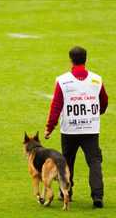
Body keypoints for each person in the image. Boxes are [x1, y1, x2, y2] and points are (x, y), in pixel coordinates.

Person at [44, 46, 108, 208]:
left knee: (67, 162)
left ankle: (67, 193)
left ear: (70, 60)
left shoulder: (63, 80)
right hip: (91, 128)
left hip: (70, 129)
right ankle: (97, 196)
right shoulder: (96, 79)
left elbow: (56, 106)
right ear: (85, 59)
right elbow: (104, 101)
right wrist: (95, 113)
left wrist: (50, 127)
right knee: (94, 162)